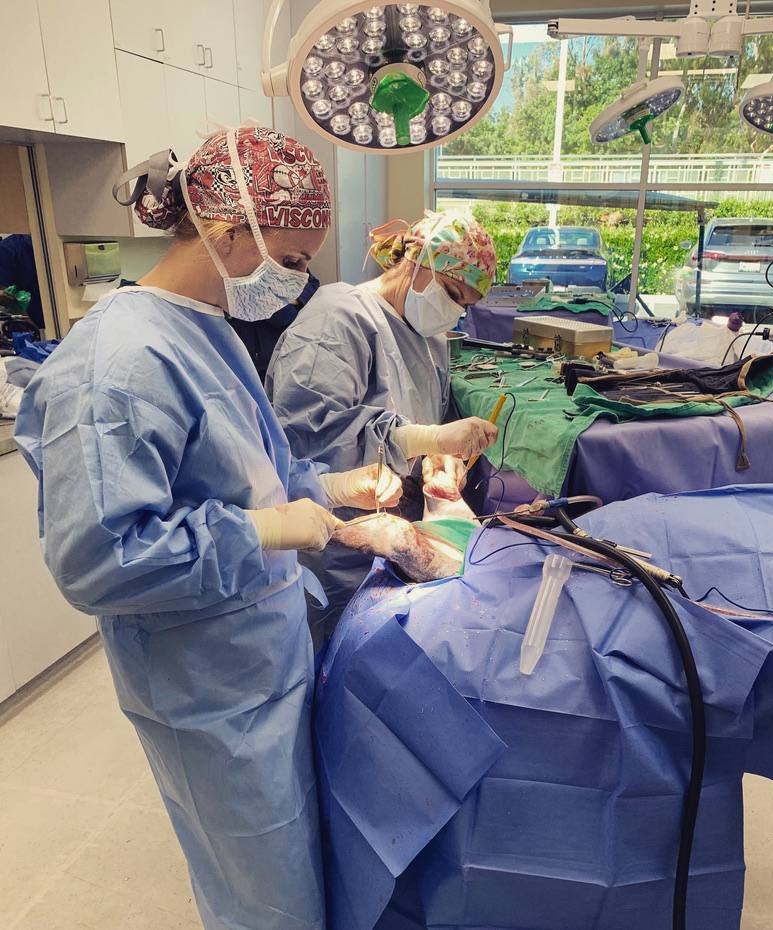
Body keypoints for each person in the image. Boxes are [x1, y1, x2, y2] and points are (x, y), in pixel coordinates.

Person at [13, 126, 402, 930]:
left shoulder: (205, 329)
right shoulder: (115, 365)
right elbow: (99, 559)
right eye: (291, 262)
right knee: (267, 898)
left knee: (294, 864)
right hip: (203, 683)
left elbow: (251, 472)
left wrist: (335, 489)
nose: (296, 284)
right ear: (226, 231)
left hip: (257, 652)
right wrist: (266, 533)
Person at [265, 210, 499, 646]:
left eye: (462, 306)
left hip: (398, 533)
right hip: (336, 538)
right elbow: (310, 442)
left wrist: (438, 460)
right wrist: (423, 439)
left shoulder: (427, 335)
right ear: (414, 262)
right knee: (337, 655)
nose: (451, 312)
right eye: (449, 292)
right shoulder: (336, 321)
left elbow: (423, 413)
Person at [228, 267, 320, 381]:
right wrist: (296, 302)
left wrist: (284, 297)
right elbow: (279, 315)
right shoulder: (248, 266)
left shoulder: (290, 261)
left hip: (283, 356)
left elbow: (314, 285)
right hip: (254, 360)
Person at [0, 233, 44, 329]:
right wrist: (35, 334)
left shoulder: (56, 246)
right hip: (24, 328)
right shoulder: (9, 248)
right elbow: (8, 300)